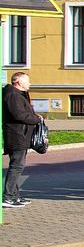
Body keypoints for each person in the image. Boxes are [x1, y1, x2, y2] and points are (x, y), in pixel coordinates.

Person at [2, 72, 42, 208]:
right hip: (16, 134)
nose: (29, 84)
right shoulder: (13, 95)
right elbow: (19, 115)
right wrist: (36, 119)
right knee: (16, 166)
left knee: (18, 166)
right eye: (27, 81)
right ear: (18, 82)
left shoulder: (18, 94)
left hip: (21, 135)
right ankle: (7, 197)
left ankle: (14, 195)